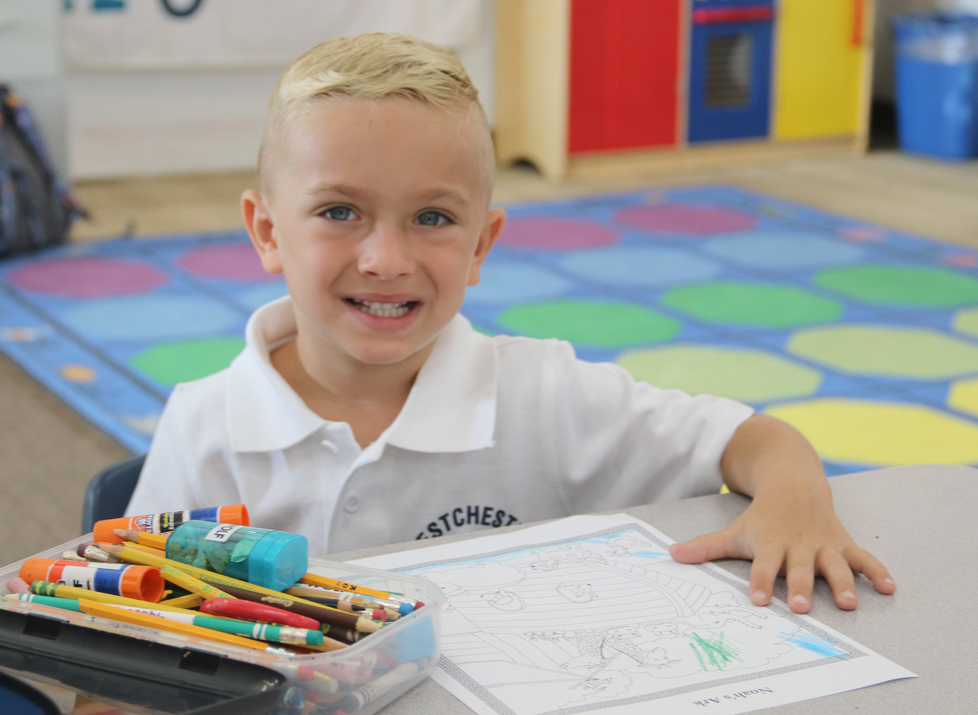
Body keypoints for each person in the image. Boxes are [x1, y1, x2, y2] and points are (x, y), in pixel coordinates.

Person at [125, 32, 895, 614]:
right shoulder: (205, 424)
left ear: (482, 245)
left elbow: (749, 440)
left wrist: (797, 499)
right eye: (339, 211)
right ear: (267, 232)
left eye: (432, 216)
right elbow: (135, 626)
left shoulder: (543, 394)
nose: (386, 258)